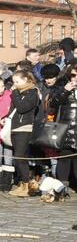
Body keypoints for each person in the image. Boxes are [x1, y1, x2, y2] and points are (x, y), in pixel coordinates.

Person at [8, 70, 41, 197]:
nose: (15, 84)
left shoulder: (33, 92)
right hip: (15, 127)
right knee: (18, 159)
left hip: (25, 128)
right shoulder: (18, 93)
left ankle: (27, 185)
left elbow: (22, 108)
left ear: (26, 79)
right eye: (14, 82)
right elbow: (13, 109)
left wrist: (14, 92)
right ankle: (23, 183)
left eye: (17, 81)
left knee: (20, 157)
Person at [48, 64, 77, 192]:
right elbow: (53, 104)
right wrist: (65, 90)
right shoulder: (62, 87)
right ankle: (61, 189)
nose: (75, 78)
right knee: (64, 158)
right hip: (66, 128)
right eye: (73, 75)